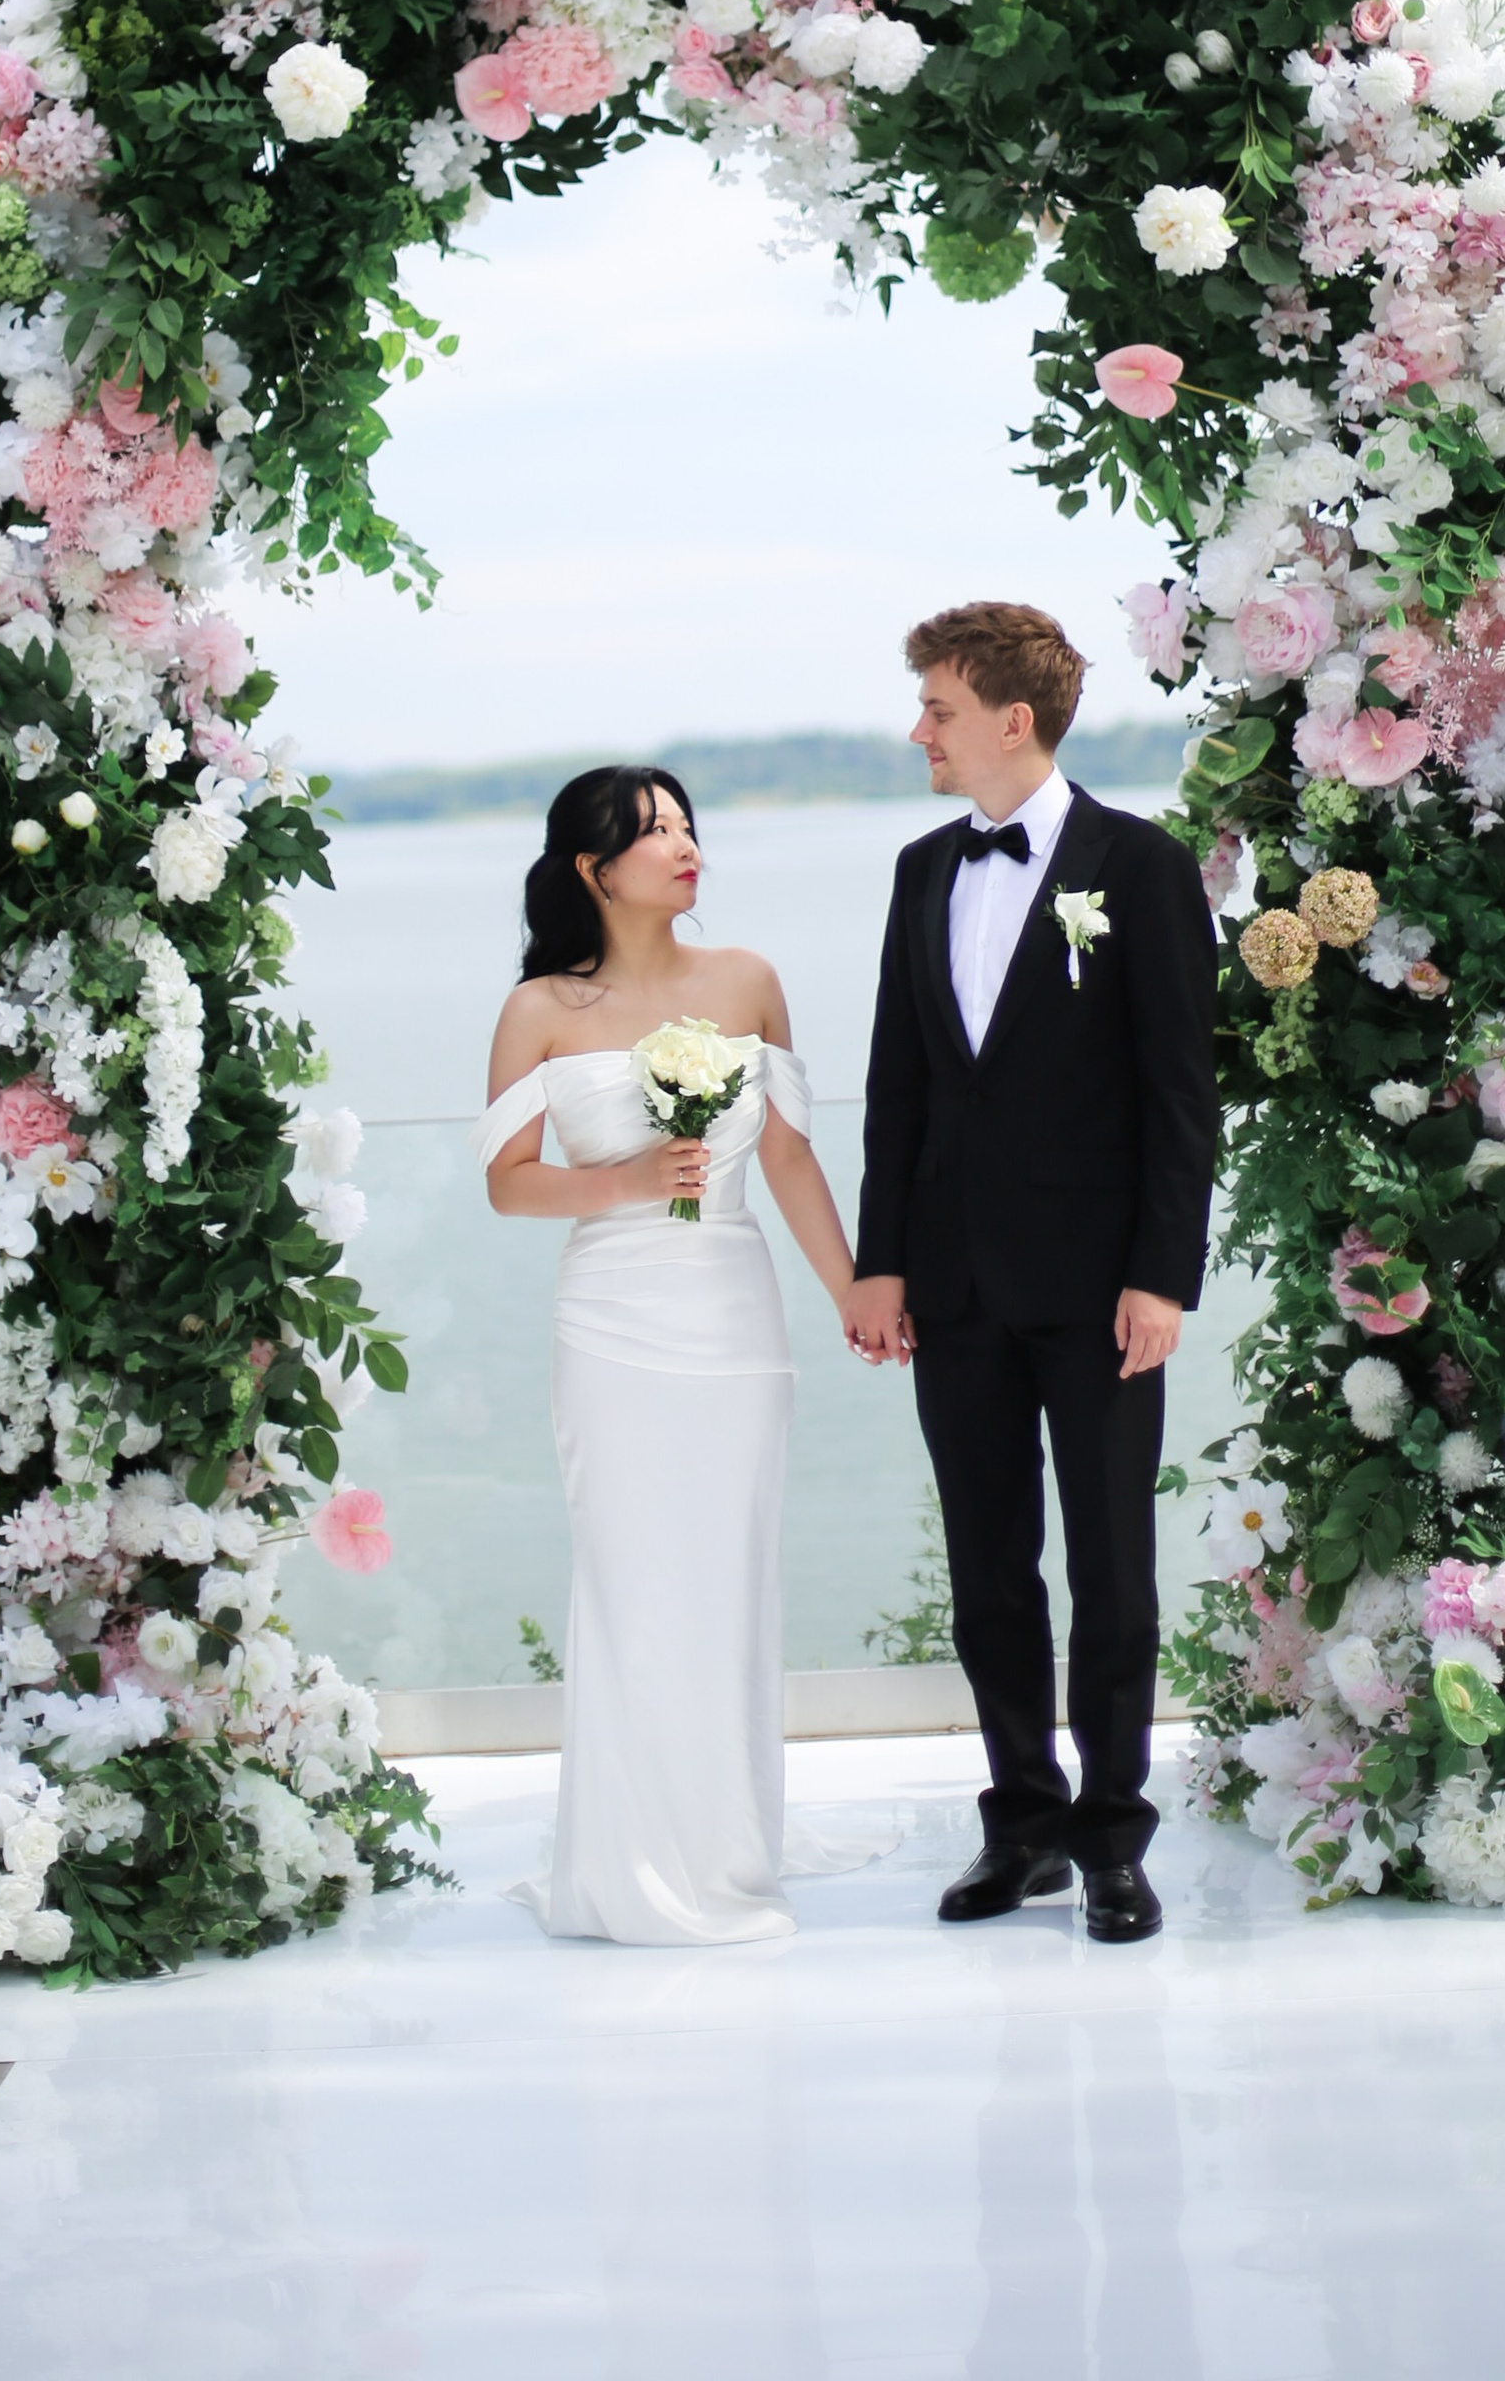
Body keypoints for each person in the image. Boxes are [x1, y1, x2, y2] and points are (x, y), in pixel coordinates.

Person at [844, 603, 1221, 1944]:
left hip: (1104, 1290)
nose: (919, 732)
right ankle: (1023, 1825)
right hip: (953, 1290)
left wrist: (1163, 1279)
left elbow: (1184, 1099)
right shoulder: (918, 871)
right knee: (990, 1571)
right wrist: (879, 1265)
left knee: (1114, 1570)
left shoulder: (1145, 867)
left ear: (1014, 718)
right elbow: (899, 1087)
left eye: (936, 709)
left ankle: (1116, 1837)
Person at [480, 762, 859, 1945]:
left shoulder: (749, 982)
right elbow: (506, 1185)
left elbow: (790, 1158)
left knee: (729, 1574)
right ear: (593, 870)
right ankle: (627, 1860)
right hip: (610, 1321)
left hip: (733, 1312)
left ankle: (728, 1841)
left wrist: (856, 1294)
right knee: (630, 1577)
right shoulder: (542, 1007)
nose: (685, 845)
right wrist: (628, 1181)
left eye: (689, 824)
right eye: (654, 832)